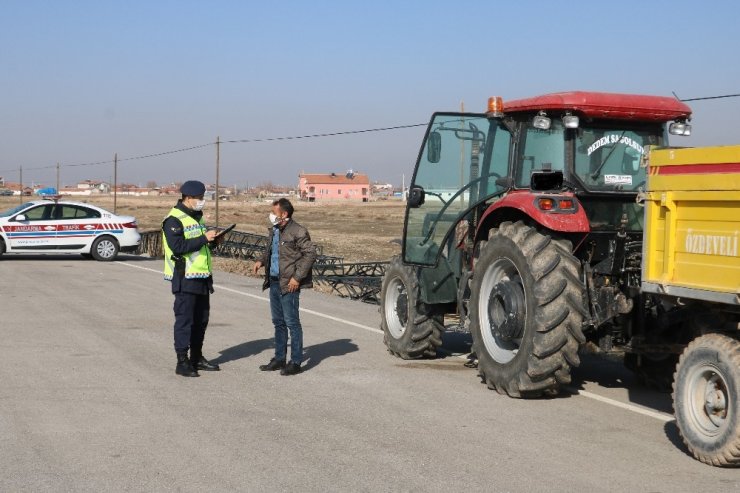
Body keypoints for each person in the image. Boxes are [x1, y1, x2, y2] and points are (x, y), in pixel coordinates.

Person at [162, 180, 223, 377]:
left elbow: (201, 247)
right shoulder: (173, 220)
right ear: (188, 198)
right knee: (184, 321)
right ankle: (182, 361)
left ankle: (197, 357)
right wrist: (204, 238)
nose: (202, 201)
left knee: (201, 320)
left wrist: (213, 242)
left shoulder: (197, 218)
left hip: (202, 277)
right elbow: (178, 247)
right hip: (185, 278)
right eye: (199, 198)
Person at [253, 198, 316, 376]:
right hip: (274, 281)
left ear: (284, 214)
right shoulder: (275, 230)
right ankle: (279, 359)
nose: (271, 215)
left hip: (289, 283)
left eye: (274, 212)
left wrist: (297, 278)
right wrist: (261, 260)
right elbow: (270, 251)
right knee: (278, 322)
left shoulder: (298, 231)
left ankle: (295, 362)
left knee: (292, 323)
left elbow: (310, 254)